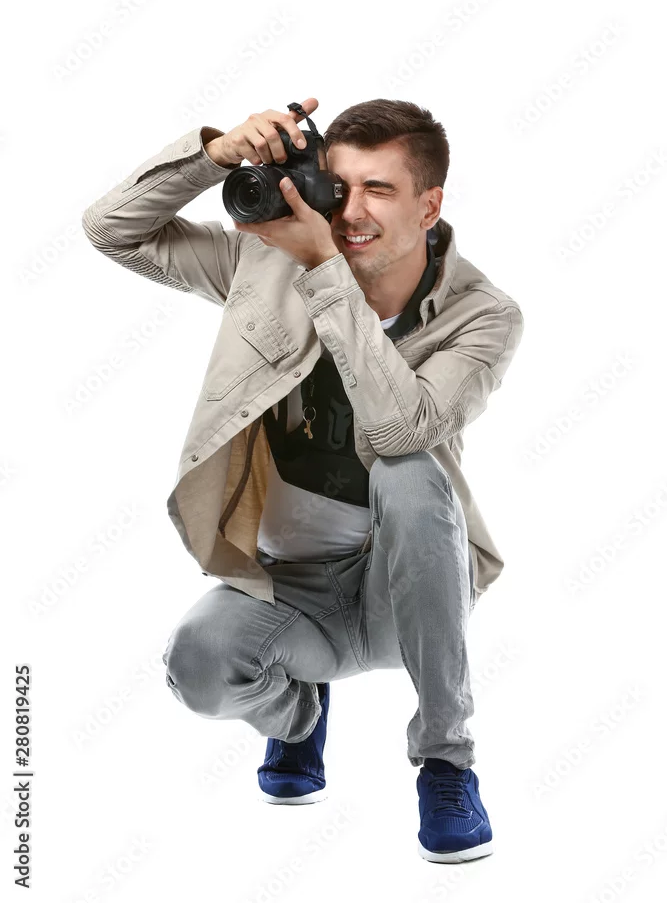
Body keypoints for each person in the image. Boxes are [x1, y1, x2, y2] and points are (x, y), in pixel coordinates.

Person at [81, 96, 524, 863]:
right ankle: (297, 717)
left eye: (377, 189)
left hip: (406, 594)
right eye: (337, 186)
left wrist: (324, 270)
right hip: (291, 589)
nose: (348, 211)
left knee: (410, 475)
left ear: (428, 205)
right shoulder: (264, 265)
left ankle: (446, 764)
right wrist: (213, 156)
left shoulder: (481, 315)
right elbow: (111, 230)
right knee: (198, 665)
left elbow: (399, 430)